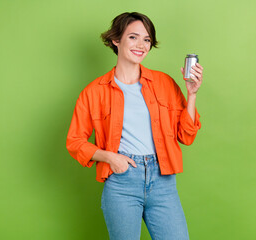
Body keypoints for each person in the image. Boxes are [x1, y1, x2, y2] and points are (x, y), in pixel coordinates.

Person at [66, 12, 203, 240]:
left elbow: (186, 136)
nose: (141, 45)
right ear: (116, 40)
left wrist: (192, 94)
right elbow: (75, 141)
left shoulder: (165, 83)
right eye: (133, 37)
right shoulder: (94, 92)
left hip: (163, 181)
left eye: (147, 39)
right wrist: (111, 158)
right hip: (122, 183)